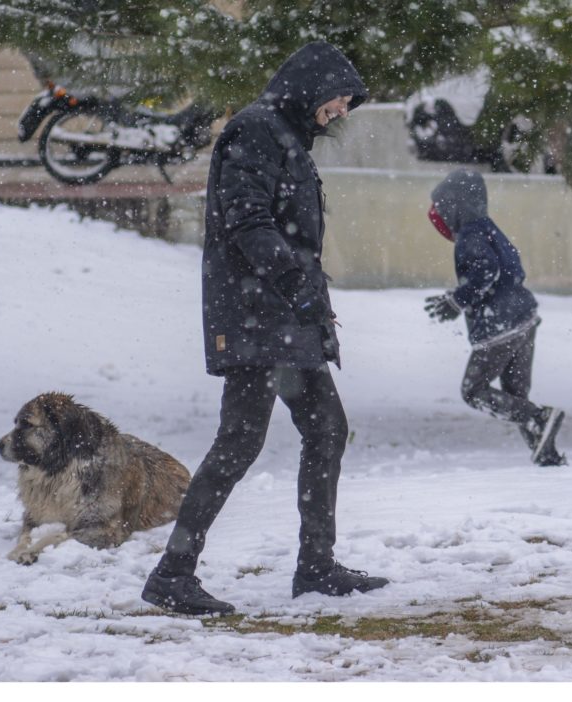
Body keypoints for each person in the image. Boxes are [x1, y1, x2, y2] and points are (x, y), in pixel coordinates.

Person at [141, 41, 388, 616]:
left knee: (327, 429)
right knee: (240, 440)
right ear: (311, 86)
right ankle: (173, 573)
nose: (342, 112)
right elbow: (245, 219)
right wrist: (295, 281)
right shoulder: (256, 130)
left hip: (282, 320)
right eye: (339, 99)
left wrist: (304, 292)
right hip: (257, 316)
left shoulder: (285, 136)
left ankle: (316, 565)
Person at [424, 169, 566, 466]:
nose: (438, 216)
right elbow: (506, 268)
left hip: (499, 325)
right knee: (515, 393)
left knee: (473, 391)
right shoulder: (488, 229)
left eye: (441, 207)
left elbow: (487, 271)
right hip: (524, 318)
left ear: (456, 205)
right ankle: (546, 455)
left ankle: (540, 418)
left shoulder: (470, 236)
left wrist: (456, 301)